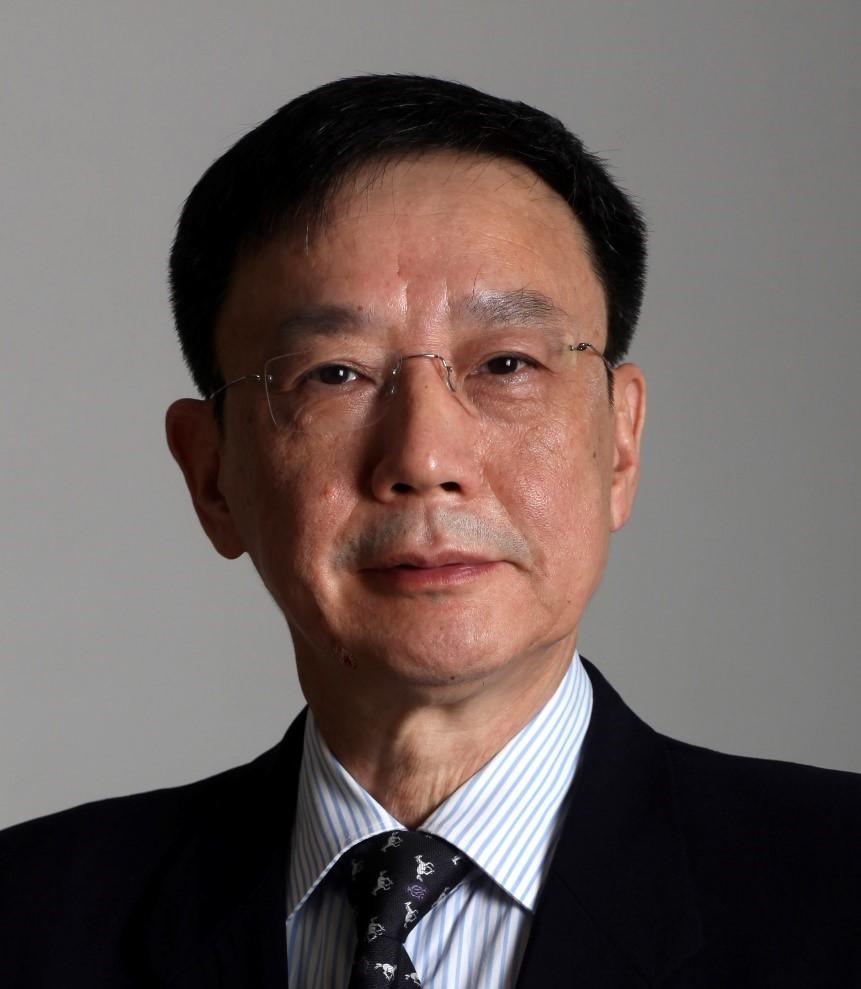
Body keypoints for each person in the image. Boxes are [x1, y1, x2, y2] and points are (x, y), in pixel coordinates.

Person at [0, 74, 858, 988]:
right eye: (333, 374)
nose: (424, 457)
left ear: (620, 441)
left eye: (506, 363)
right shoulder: (28, 919)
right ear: (212, 474)